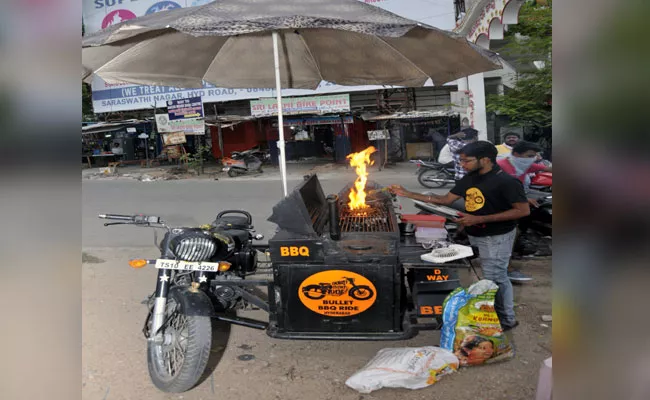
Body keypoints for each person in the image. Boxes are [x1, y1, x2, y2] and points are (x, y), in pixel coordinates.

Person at [389, 141, 529, 330]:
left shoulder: (506, 181)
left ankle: (506, 319)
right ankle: (488, 312)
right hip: (475, 231)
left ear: (485, 159)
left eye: (466, 161)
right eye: (461, 160)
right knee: (486, 277)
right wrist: (407, 193)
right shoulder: (470, 178)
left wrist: (479, 218)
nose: (462, 164)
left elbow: (522, 211)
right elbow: (445, 200)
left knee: (496, 276)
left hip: (496, 236)